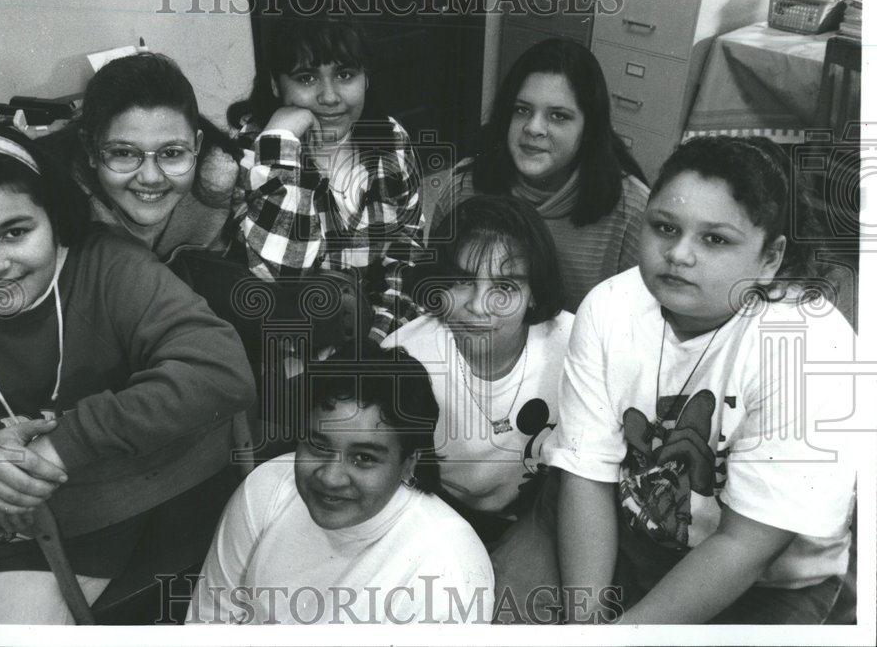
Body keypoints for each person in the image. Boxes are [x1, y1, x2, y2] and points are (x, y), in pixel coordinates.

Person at [493, 136, 857, 625]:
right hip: (627, 525)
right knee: (495, 618)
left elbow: (747, 547)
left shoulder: (809, 347)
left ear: (770, 258)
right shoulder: (608, 308)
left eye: (715, 239)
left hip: (765, 578)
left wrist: (620, 636)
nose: (679, 254)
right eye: (664, 227)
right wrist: (588, 624)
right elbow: (588, 475)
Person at [0, 122, 257, 624]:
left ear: (52, 215)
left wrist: (66, 441)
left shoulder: (107, 265)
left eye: (15, 231)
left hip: (72, 524)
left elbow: (220, 369)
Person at [186, 343, 494, 625]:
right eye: (318, 446)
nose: (330, 477)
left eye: (363, 458)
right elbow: (210, 621)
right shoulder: (267, 487)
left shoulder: (449, 570)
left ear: (409, 463)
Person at [382, 195, 573, 543]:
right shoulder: (403, 357)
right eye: (462, 281)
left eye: (505, 287)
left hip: (543, 513)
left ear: (534, 292)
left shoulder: (576, 344)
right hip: (435, 515)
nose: (480, 306)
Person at [228, 16, 424, 345]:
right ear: (276, 85)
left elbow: (406, 258)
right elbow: (282, 274)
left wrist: (373, 345)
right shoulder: (248, 154)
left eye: (345, 74)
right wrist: (281, 143)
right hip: (290, 349)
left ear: (366, 78)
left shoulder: (391, 141)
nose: (330, 97)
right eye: (306, 78)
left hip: (378, 338)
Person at [430, 38, 649, 312]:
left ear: (589, 128)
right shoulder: (464, 183)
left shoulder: (633, 211)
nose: (533, 128)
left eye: (558, 116)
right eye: (522, 110)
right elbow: (435, 284)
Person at [39, 52, 241, 271]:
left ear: (197, 145)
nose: (151, 177)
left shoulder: (216, 180)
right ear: (91, 150)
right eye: (124, 153)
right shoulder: (57, 200)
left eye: (171, 153)